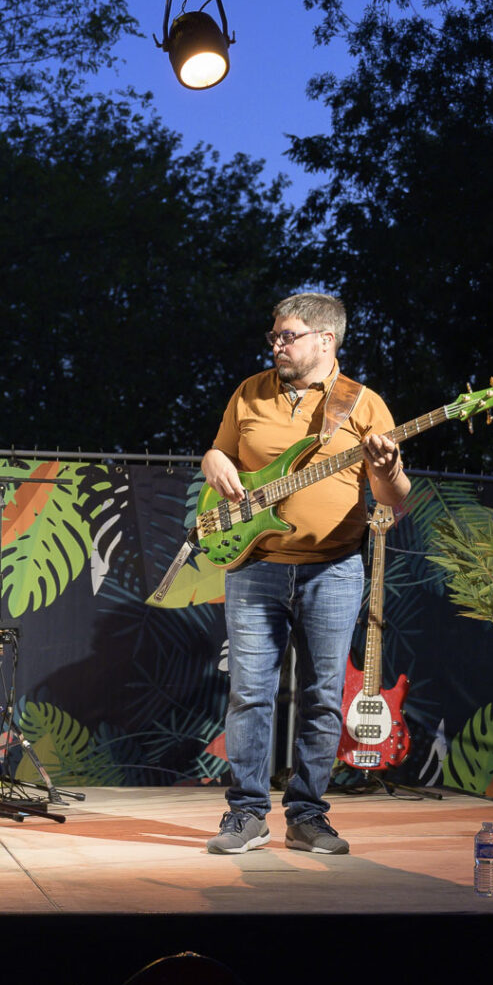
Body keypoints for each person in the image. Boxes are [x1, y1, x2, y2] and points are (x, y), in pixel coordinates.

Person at [200, 292, 409, 856]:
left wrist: (388, 468)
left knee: (322, 697)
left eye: (287, 336)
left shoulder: (363, 404)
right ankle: (246, 814)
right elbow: (219, 454)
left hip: (333, 570)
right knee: (250, 694)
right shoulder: (249, 392)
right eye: (274, 336)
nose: (277, 345)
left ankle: (308, 816)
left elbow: (393, 497)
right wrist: (214, 460)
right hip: (255, 566)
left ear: (325, 340)